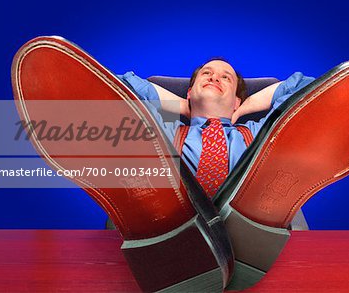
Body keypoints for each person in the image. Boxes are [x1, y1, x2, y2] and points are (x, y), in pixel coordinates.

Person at [118, 58, 315, 197]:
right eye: (206, 73)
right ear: (189, 92)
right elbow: (112, 85)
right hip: (170, 236)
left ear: (237, 100)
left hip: (249, 239)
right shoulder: (163, 131)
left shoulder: (258, 134)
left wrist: (247, 105)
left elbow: (313, 88)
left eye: (226, 78)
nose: (214, 78)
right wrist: (181, 105)